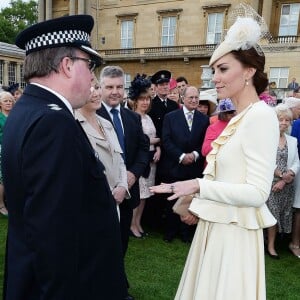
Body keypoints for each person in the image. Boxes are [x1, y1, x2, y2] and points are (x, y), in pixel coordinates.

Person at [150, 15, 279, 300]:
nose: (214, 78)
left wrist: (197, 185)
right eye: (213, 70)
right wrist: (191, 199)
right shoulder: (239, 117)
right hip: (215, 229)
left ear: (248, 72)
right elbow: (224, 175)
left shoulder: (260, 116)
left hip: (234, 237)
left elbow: (257, 192)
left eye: (222, 69)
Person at [2, 15, 128, 299]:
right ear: (67, 65)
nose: (93, 77)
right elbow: (53, 231)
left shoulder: (29, 110)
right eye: (90, 65)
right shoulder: (53, 121)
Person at [97, 66, 149, 298]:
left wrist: (134, 174)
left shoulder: (132, 117)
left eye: (119, 87)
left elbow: (142, 149)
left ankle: (117, 283)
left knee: (121, 242)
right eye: (109, 87)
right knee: (99, 243)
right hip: (102, 193)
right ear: (100, 87)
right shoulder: (91, 115)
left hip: (128, 193)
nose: (115, 92)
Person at [159, 86, 209, 243]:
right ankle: (170, 232)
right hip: (174, 166)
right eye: (191, 98)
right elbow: (166, 140)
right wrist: (180, 156)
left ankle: (186, 233)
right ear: (183, 98)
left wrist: (194, 155)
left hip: (194, 166)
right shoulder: (170, 117)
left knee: (190, 201)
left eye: (196, 97)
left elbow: (204, 142)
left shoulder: (204, 119)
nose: (194, 100)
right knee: (172, 199)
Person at [75, 75, 129, 219]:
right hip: (90, 208)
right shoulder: (72, 125)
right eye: (90, 89)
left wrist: (123, 186)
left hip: (114, 204)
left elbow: (120, 160)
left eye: (98, 87)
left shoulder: (106, 124)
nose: (96, 93)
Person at [128, 74, 161, 238]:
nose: (146, 102)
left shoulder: (148, 117)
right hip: (139, 162)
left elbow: (154, 139)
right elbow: (138, 140)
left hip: (151, 162)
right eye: (142, 99)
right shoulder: (132, 117)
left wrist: (158, 148)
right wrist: (153, 140)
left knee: (145, 196)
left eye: (148, 99)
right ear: (135, 100)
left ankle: (138, 223)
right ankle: (132, 225)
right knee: (138, 195)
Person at [266, 104, 299, 259]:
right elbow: (265, 160)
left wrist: (286, 179)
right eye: (281, 119)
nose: (284, 123)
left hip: (286, 185)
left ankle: (277, 242)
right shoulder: (267, 138)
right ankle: (271, 246)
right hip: (270, 183)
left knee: (284, 213)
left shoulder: (292, 140)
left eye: (287, 120)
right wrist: (280, 176)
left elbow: (297, 162)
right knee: (272, 214)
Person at [148, 70, 179, 138]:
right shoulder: (150, 105)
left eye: (166, 84)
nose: (165, 87)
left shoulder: (174, 105)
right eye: (161, 85)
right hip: (159, 144)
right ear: (156, 87)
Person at [0, 91, 14, 216]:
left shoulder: (15, 115)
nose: (9, 103)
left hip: (14, 148)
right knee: (2, 177)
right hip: (1, 149)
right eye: (6, 101)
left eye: (10, 101)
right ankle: (1, 205)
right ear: (0, 103)